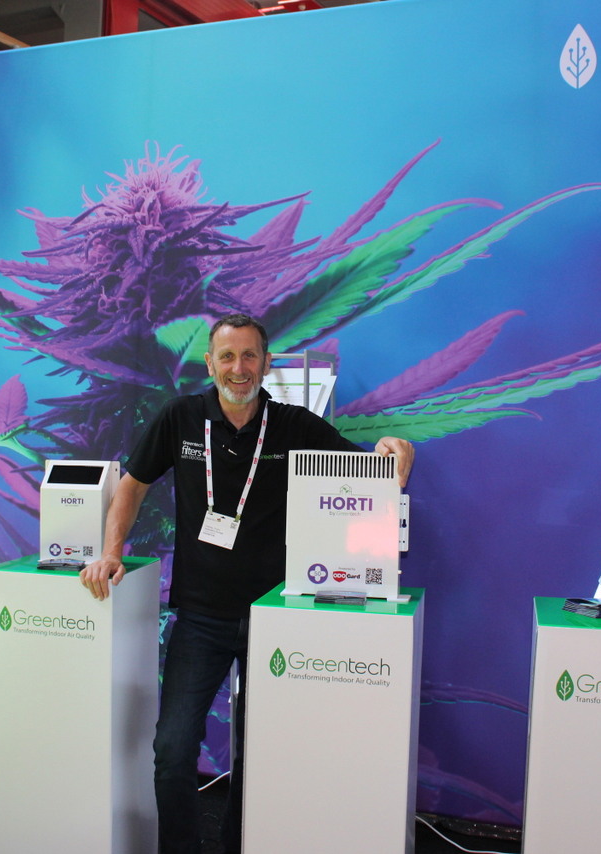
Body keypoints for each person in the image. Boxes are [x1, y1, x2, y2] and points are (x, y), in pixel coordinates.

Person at [81, 314, 414, 854]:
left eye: (250, 356)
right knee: (172, 750)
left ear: (266, 362)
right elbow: (132, 485)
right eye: (228, 356)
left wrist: (393, 450)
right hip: (200, 618)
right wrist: (111, 552)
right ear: (209, 363)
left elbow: (364, 469)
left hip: (274, 617)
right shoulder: (181, 418)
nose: (239, 368)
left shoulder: (294, 425)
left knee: (260, 754)